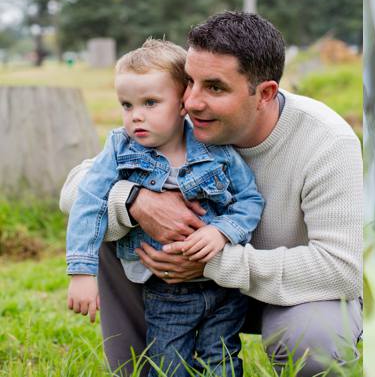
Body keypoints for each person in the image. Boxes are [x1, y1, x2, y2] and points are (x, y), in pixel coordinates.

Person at [61, 12, 363, 377]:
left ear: (264, 93)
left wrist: (214, 262)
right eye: (189, 82)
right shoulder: (174, 126)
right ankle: (138, 368)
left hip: (284, 293)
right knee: (107, 218)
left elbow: (343, 269)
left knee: (315, 337)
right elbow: (76, 190)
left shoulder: (326, 142)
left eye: (215, 87)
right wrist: (135, 202)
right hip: (175, 290)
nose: (191, 101)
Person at [65, 38, 263, 377]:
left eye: (150, 103)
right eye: (126, 105)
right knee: (169, 365)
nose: (136, 115)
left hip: (222, 286)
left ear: (183, 102)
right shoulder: (120, 148)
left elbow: (249, 200)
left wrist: (221, 231)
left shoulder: (215, 148)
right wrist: (82, 272)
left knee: (221, 361)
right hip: (166, 289)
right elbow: (87, 200)